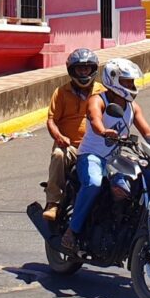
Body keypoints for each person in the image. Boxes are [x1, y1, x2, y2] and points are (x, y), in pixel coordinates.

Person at [62, 58, 150, 252]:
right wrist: (103, 131)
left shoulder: (133, 108)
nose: (131, 86)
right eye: (127, 82)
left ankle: (122, 228)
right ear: (114, 81)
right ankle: (72, 231)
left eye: (132, 82)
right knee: (94, 184)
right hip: (92, 156)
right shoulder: (98, 100)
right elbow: (95, 119)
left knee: (132, 187)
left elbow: (148, 133)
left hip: (115, 158)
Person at [42, 48, 101, 221]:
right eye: (79, 69)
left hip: (95, 148)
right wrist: (59, 137)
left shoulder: (102, 92)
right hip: (70, 147)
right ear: (71, 70)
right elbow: (51, 120)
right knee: (58, 155)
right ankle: (53, 202)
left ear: (93, 69)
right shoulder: (61, 93)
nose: (83, 72)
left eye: (87, 68)